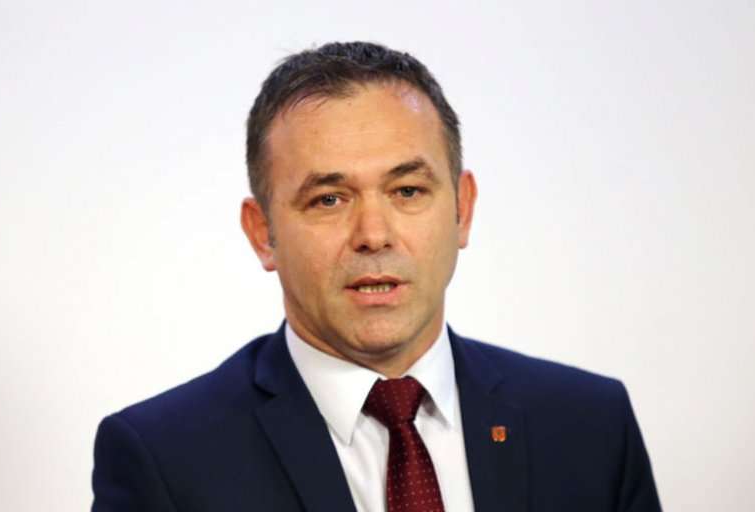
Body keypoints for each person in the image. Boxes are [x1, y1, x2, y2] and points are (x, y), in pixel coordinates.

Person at [91, 42, 661, 512]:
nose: (373, 234)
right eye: (329, 199)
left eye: (407, 191)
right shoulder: (163, 460)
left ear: (462, 209)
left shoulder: (590, 425)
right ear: (262, 232)